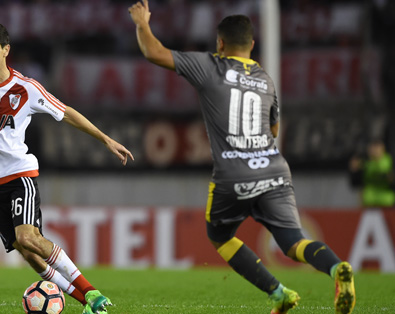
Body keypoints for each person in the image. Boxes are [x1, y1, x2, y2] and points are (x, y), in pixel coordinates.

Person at [128, 2, 355, 313]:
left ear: (220, 43)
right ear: (251, 44)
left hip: (234, 174)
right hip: (274, 171)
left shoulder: (210, 66)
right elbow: (273, 129)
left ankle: (278, 293)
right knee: (292, 242)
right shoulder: (265, 79)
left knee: (219, 236)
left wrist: (142, 24)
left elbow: (154, 52)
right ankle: (336, 268)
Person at [0, 22, 133, 314]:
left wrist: (104, 139)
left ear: (5, 50)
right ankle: (89, 303)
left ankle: (93, 292)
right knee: (24, 249)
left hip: (19, 175)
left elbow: (66, 113)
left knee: (29, 238)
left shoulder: (25, 88)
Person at [349, 138, 395, 208]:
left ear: (383, 148)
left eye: (377, 147)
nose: (374, 151)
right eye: (372, 147)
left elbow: (389, 177)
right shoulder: (365, 162)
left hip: (387, 203)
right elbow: (355, 183)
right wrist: (354, 171)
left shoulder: (389, 161)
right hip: (369, 203)